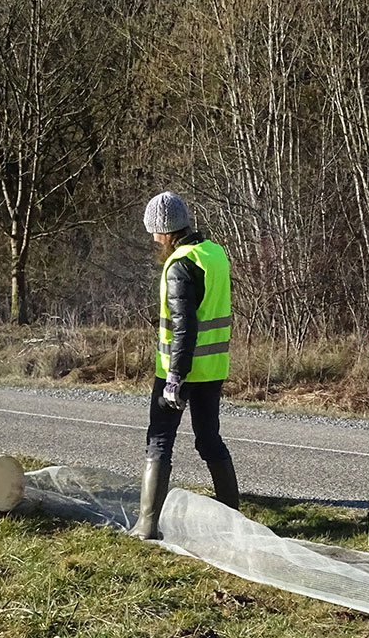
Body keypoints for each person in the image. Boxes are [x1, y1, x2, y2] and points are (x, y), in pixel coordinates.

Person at [130, 191, 239, 540]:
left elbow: (184, 325)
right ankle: (233, 521)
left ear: (165, 229)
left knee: (159, 439)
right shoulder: (214, 253)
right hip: (213, 368)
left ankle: (147, 525)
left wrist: (174, 378)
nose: (152, 238)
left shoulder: (179, 265)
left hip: (180, 371)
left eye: (154, 231)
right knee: (209, 440)